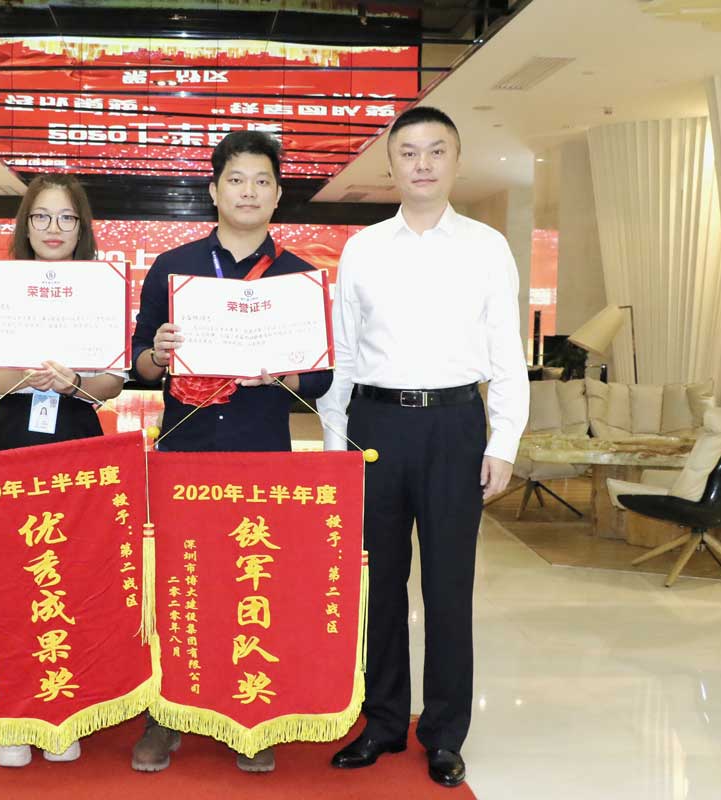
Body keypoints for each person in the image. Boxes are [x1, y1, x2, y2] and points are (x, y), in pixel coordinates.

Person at [317, 106, 528, 788]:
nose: (423, 164)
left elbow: (507, 354)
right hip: (375, 427)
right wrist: (336, 444)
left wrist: (504, 441)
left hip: (454, 426)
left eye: (437, 151)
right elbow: (344, 353)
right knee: (379, 584)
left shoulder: (487, 247)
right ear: (392, 165)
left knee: (447, 586)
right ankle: (382, 721)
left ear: (457, 161)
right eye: (408, 153)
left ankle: (443, 733)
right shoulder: (363, 248)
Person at [129, 130, 333, 774]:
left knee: (253, 582)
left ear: (278, 194)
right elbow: (138, 363)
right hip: (184, 449)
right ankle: (166, 715)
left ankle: (252, 716)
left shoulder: (299, 276)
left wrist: (281, 375)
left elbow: (320, 377)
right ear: (214, 190)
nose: (249, 191)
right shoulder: (174, 267)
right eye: (236, 180)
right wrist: (159, 352)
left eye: (262, 181)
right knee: (179, 584)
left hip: (260, 452)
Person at [0, 173, 125, 767]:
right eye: (42, 217)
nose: (53, 229)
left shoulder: (103, 288)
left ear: (82, 227)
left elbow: (110, 385)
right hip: (11, 439)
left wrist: (75, 381)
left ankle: (64, 712)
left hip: (77, 438)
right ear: (25, 224)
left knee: (73, 578)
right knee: (11, 577)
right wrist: (24, 376)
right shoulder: (0, 285)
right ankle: (13, 716)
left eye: (66, 218)